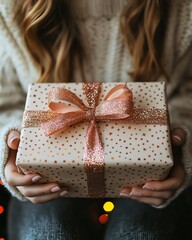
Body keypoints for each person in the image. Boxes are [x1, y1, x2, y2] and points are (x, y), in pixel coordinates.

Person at [0, 0, 192, 239]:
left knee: (142, 234)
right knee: (46, 233)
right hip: (48, 175)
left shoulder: (181, 8)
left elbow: (187, 90)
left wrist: (180, 146)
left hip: (147, 174)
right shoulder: (10, 7)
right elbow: (5, 97)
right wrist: (12, 146)